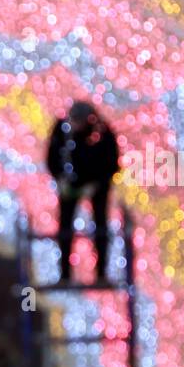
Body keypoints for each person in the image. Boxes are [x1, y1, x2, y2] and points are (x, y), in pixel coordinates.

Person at [46, 101, 120, 285]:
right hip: (69, 183)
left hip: (97, 184)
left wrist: (96, 185)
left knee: (100, 226)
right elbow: (52, 157)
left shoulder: (102, 132)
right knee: (65, 228)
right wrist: (60, 179)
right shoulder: (62, 130)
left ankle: (101, 274)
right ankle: (64, 275)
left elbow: (112, 163)